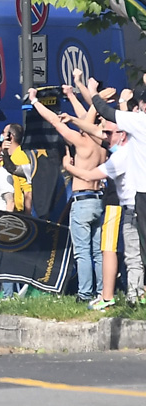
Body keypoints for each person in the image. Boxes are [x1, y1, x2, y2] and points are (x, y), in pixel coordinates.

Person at [27, 87, 107, 302]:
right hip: (99, 199)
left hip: (82, 201)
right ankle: (102, 292)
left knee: (82, 252)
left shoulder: (81, 142)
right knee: (99, 252)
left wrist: (35, 102)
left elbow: (55, 121)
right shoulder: (103, 144)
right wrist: (72, 95)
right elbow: (85, 117)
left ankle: (84, 293)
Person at [63, 119, 143, 308]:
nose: (105, 137)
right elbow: (96, 130)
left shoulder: (121, 156)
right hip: (127, 205)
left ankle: (125, 298)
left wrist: (68, 166)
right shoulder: (137, 147)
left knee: (109, 253)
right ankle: (117, 293)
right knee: (126, 254)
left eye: (109, 133)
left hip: (126, 207)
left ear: (122, 134)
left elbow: (88, 175)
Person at [1, 124, 33, 214]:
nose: (1, 135)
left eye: (3, 133)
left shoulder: (20, 157)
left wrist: (28, 218)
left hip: (18, 212)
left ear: (10, 137)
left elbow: (28, 191)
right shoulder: (8, 156)